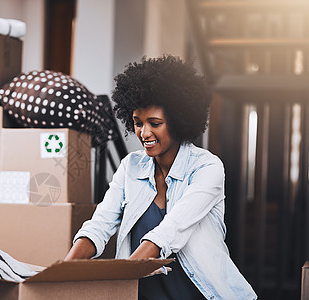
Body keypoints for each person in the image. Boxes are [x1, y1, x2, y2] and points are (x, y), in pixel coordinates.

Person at [64, 55, 257, 300]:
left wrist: (121, 278)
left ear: (178, 121)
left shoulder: (207, 167)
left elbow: (169, 232)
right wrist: (63, 272)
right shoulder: (130, 167)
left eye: (154, 123)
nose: (144, 133)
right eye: (137, 123)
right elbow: (100, 225)